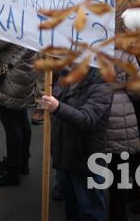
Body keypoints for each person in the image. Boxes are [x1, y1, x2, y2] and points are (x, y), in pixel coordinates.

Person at [41, 66, 112, 221]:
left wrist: (57, 107)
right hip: (66, 156)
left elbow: (87, 119)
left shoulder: (102, 86)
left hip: (87, 160)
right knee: (71, 207)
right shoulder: (66, 76)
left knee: (90, 210)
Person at [0, 28, 37, 187]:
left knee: (11, 123)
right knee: (21, 118)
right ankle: (22, 161)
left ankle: (12, 170)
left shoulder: (14, 19)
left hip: (11, 76)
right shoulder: (30, 17)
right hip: (25, 72)